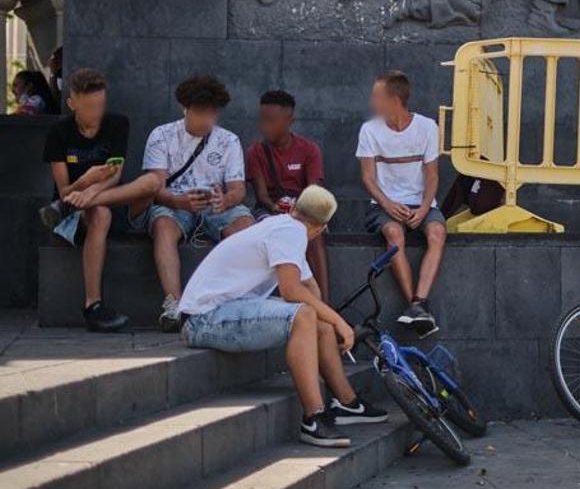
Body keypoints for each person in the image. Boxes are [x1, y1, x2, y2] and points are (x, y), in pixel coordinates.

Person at [178, 185, 387, 448]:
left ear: (295, 209)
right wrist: (338, 321)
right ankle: (314, 418)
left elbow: (311, 289)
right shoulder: (292, 232)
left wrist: (327, 326)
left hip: (224, 311)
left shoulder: (286, 227)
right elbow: (291, 291)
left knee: (314, 318)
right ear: (321, 228)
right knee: (303, 315)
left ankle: (348, 403)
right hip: (203, 320)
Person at [39, 68, 160, 332]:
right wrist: (84, 181)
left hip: (100, 197)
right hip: (72, 208)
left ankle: (77, 206)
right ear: (72, 104)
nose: (96, 113)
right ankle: (93, 304)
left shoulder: (117, 124)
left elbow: (115, 176)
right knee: (101, 213)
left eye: (100, 105)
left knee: (151, 182)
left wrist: (91, 192)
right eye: (89, 107)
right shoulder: (58, 133)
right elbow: (64, 192)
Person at [143, 75, 255, 331]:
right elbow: (155, 187)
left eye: (212, 114)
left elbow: (238, 190)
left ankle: (239, 301)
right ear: (186, 109)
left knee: (246, 227)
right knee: (162, 226)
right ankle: (173, 304)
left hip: (216, 206)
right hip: (175, 202)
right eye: (200, 113)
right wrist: (178, 201)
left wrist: (224, 199)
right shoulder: (162, 136)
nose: (207, 120)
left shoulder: (229, 140)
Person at [357, 71, 445, 338]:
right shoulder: (369, 130)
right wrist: (389, 204)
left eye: (377, 95)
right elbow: (368, 178)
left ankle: (419, 302)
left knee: (437, 232)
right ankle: (415, 305)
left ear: (394, 100)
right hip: (383, 204)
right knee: (394, 235)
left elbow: (432, 176)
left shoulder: (427, 127)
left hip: (421, 202)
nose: (372, 101)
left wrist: (423, 208)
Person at [245, 90, 330, 302]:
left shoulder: (309, 150)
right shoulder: (255, 152)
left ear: (289, 120)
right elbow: (262, 195)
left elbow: (314, 192)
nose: (265, 125)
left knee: (315, 234)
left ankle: (325, 304)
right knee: (272, 233)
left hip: (303, 209)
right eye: (263, 119)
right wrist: (277, 209)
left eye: (271, 120)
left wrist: (299, 212)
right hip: (269, 210)